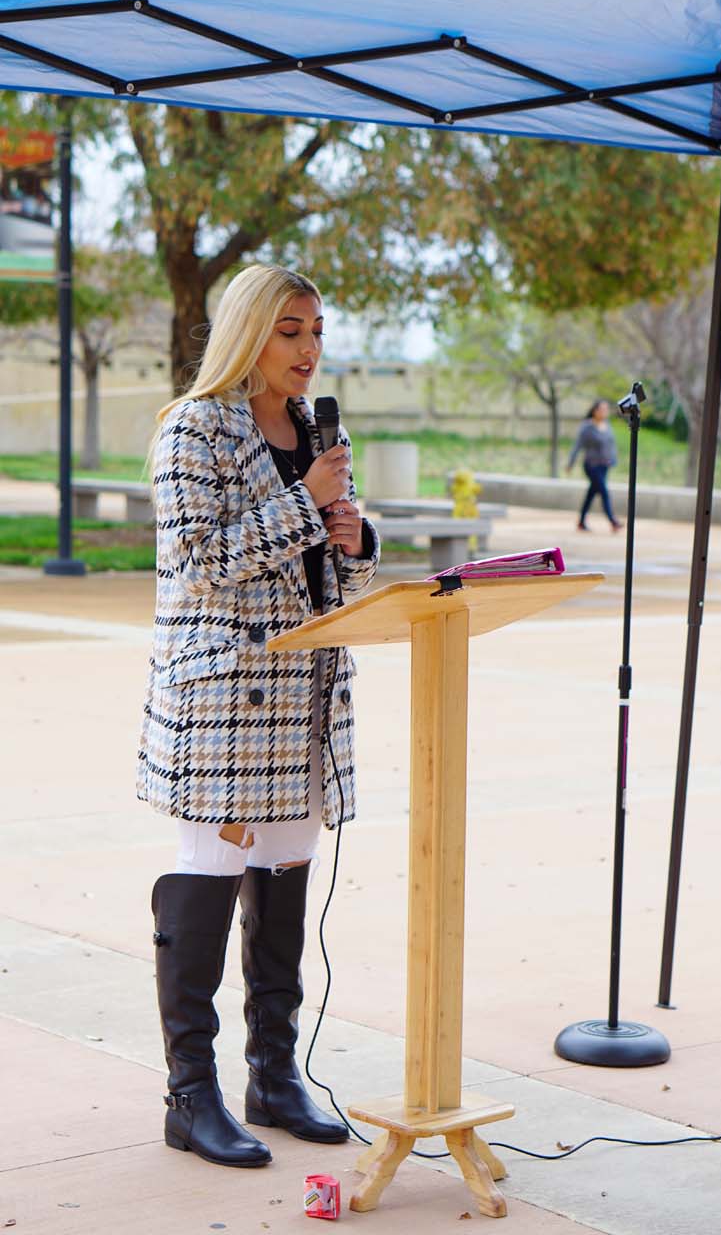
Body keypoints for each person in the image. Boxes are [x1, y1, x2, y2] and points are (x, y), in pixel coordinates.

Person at [137, 264, 380, 1169]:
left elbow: (332, 580)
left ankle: (272, 1076)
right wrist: (305, 503)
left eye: (317, 330)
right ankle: (188, 1096)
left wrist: (355, 542)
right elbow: (198, 562)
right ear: (249, 331)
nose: (310, 350)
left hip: (306, 690)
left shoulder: (318, 432)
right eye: (290, 331)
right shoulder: (192, 428)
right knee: (212, 869)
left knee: (286, 872)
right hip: (227, 696)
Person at [566, 399, 622, 532]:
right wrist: (571, 463)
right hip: (592, 465)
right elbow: (578, 445)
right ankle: (612, 521)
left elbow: (611, 444)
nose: (604, 412)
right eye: (602, 409)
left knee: (591, 494)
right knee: (604, 492)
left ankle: (581, 521)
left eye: (606, 409)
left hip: (604, 466)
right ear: (595, 411)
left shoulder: (606, 424)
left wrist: (613, 459)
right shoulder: (587, 427)